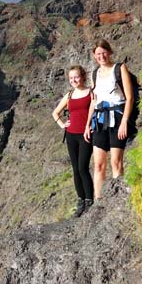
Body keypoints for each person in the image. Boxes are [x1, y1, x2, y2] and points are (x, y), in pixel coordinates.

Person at [83, 39, 134, 199]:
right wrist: (87, 125)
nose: (101, 56)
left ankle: (117, 199)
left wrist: (125, 121)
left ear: (109, 52)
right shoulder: (95, 74)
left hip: (117, 118)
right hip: (99, 120)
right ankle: (98, 200)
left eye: (104, 52)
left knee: (116, 162)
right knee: (98, 164)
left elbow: (130, 97)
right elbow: (94, 100)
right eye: (98, 54)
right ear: (94, 56)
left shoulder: (119, 68)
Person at [52, 65, 94, 217]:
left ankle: (90, 200)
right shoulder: (69, 95)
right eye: (71, 78)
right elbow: (55, 113)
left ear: (82, 76)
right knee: (75, 169)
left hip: (85, 135)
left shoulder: (91, 92)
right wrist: (63, 124)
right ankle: (81, 201)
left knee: (83, 167)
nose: (74, 80)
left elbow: (95, 110)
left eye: (76, 77)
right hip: (71, 135)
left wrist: (90, 126)